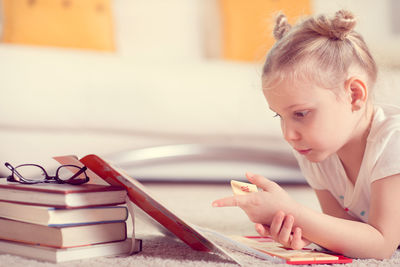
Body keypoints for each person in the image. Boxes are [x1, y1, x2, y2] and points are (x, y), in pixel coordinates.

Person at [212, 9, 400, 259]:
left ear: (354, 95)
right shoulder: (318, 153)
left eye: (301, 114)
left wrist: (294, 211)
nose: (288, 134)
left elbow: (381, 245)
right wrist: (302, 230)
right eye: (280, 116)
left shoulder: (392, 140)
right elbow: (347, 234)